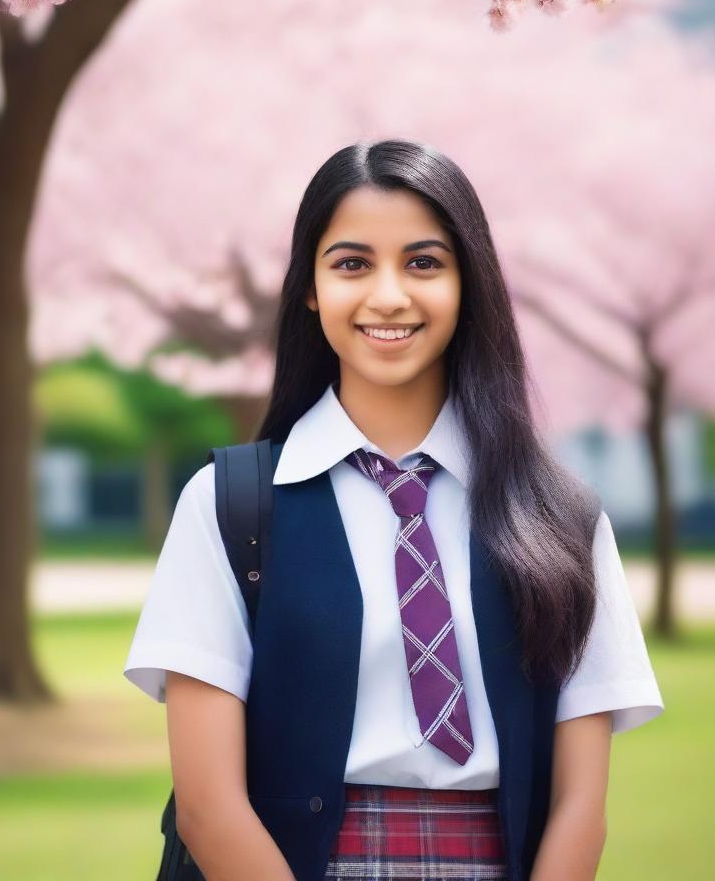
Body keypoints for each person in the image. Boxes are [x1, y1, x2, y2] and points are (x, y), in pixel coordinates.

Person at [123, 139, 664, 881]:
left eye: (423, 263)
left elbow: (581, 810)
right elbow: (209, 808)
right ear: (309, 289)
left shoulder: (560, 516)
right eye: (351, 263)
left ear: (469, 283)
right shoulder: (228, 506)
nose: (388, 296)